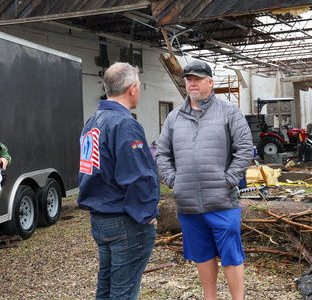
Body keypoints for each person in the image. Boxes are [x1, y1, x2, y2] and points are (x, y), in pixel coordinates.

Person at [155, 60, 253, 300]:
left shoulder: (229, 112)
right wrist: (173, 181)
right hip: (188, 204)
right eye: (189, 79)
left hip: (221, 201)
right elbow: (161, 153)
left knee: (231, 255)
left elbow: (245, 149)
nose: (192, 83)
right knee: (203, 256)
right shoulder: (174, 118)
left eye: (198, 79)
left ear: (210, 82)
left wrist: (229, 180)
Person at [78, 62, 160, 300]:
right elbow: (139, 177)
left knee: (106, 289)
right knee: (123, 293)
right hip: (125, 220)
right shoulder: (124, 124)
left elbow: (89, 170)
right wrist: (146, 217)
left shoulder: (91, 123)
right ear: (132, 88)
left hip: (101, 219)